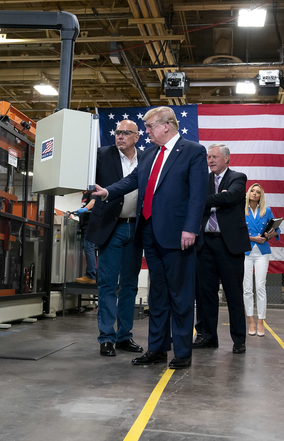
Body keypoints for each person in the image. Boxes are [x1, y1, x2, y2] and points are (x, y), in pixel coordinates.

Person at [91, 106, 208, 370]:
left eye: (149, 126)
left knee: (180, 295)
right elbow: (133, 180)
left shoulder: (193, 151)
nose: (146, 132)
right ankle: (157, 348)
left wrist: (190, 228)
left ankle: (182, 351)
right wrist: (107, 191)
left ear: (166, 125)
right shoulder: (150, 154)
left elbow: (199, 194)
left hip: (179, 236)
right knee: (157, 295)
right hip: (150, 234)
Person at [86, 120, 144, 357]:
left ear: (137, 136)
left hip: (137, 227)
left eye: (126, 133)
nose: (120, 136)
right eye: (118, 132)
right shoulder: (101, 155)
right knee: (108, 283)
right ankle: (107, 338)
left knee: (130, 285)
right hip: (111, 227)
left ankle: (124, 336)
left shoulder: (146, 158)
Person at [193, 144, 251, 354]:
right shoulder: (204, 180)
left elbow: (231, 197)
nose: (210, 160)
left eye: (215, 157)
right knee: (205, 294)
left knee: (233, 294)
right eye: (209, 157)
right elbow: (219, 199)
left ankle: (238, 340)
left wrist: (203, 201)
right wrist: (218, 199)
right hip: (205, 244)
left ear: (226, 158)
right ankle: (207, 337)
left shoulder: (238, 177)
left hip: (229, 245)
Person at [243, 183, 279, 337]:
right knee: (247, 288)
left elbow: (276, 229)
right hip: (246, 251)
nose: (255, 193)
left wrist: (271, 234)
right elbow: (236, 231)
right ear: (248, 193)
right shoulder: (241, 211)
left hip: (262, 252)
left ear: (261, 195)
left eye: (258, 192)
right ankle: (250, 320)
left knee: (260, 286)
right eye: (253, 190)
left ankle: (260, 321)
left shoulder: (267, 211)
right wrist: (253, 238)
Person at [74, 196, 97, 285]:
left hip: (91, 227)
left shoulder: (92, 192)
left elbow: (94, 201)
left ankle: (90, 276)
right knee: (89, 250)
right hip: (85, 228)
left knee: (89, 249)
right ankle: (91, 274)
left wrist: (85, 209)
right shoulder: (84, 195)